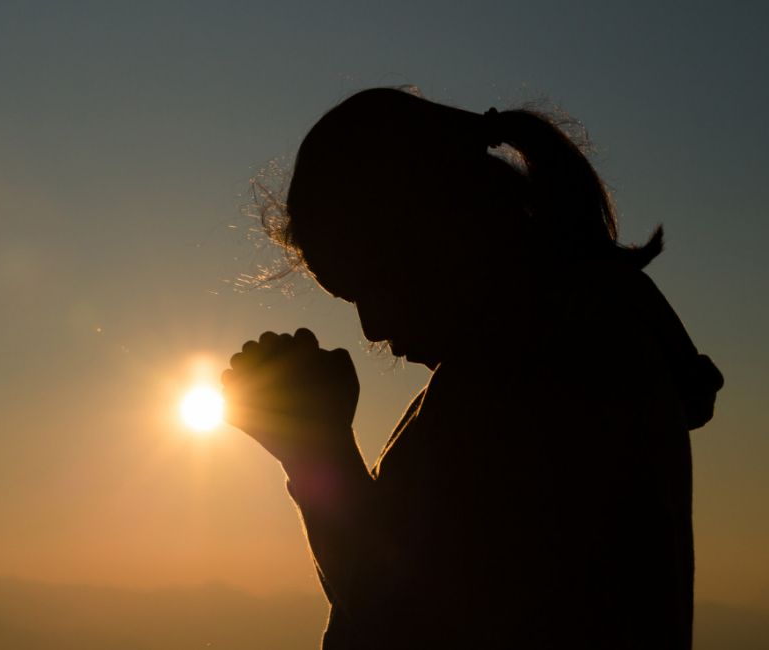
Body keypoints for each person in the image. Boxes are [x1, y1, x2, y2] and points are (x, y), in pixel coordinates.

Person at [221, 87, 723, 649]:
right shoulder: (576, 338)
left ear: (440, 231)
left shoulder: (536, 380)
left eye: (373, 284)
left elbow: (406, 621)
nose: (372, 328)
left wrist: (317, 449)